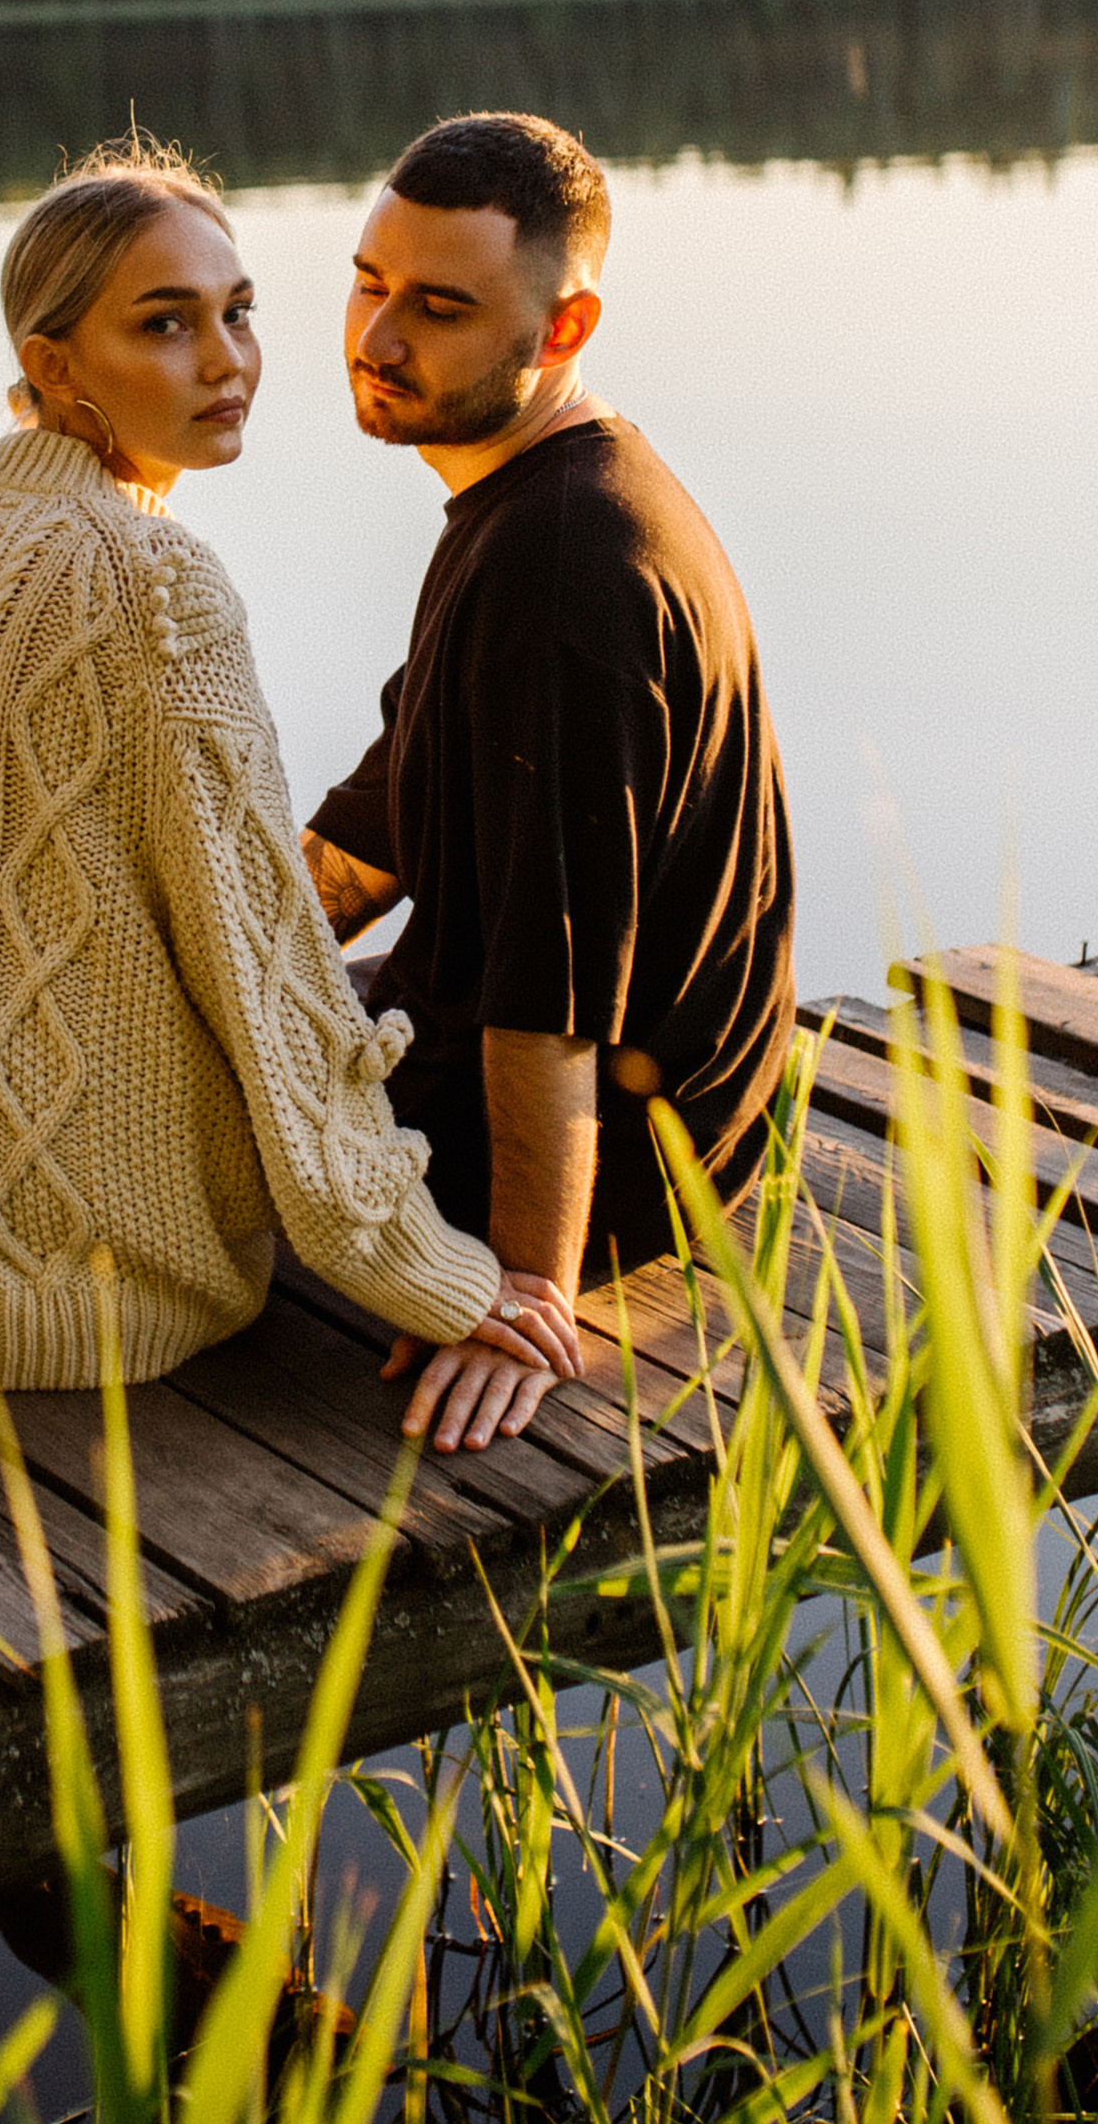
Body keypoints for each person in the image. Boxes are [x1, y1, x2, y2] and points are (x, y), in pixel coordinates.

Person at [0, 140, 582, 1440]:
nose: (227, 361)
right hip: (47, 1302)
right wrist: (436, 1275)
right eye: (165, 325)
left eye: (238, 312)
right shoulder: (156, 584)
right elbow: (262, 976)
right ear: (54, 365)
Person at [301, 111, 795, 1452]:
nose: (379, 336)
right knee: (146, 1034)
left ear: (562, 331)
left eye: (441, 308)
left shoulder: (569, 573)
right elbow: (384, 826)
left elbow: (552, 991)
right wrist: (223, 964)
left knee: (116, 1134)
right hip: (551, 1067)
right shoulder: (525, 504)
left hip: (624, 1154)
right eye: (369, 281)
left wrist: (522, 1286)